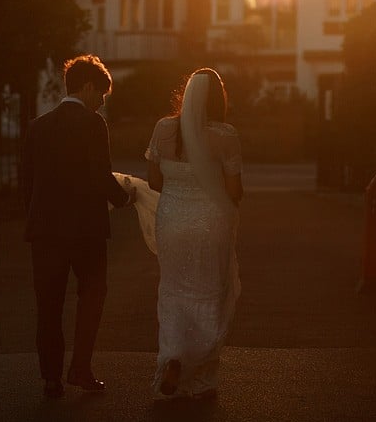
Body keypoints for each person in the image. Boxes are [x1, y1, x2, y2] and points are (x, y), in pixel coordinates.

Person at [22, 54, 134, 399]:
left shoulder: (38, 126)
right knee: (91, 298)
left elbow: (28, 180)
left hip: (45, 230)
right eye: (101, 94)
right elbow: (101, 175)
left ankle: (51, 378)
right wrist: (125, 197)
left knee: (49, 306)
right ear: (87, 88)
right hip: (86, 229)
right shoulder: (93, 124)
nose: (102, 102)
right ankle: (80, 369)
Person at [145, 67, 243, 400]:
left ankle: (174, 357)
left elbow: (155, 181)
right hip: (210, 222)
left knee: (173, 290)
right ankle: (203, 379)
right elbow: (234, 190)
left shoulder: (164, 129)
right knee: (210, 292)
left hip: (171, 220)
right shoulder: (226, 135)